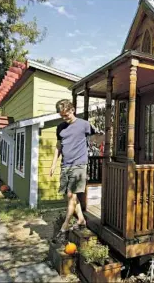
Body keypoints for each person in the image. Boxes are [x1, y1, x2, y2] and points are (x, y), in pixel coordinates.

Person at [50, 99, 95, 242]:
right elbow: (58, 146)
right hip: (65, 165)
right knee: (69, 197)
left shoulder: (84, 125)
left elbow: (97, 136)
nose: (65, 118)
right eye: (62, 116)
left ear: (73, 110)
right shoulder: (60, 128)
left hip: (79, 164)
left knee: (71, 195)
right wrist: (53, 164)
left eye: (66, 114)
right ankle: (81, 219)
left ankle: (64, 227)